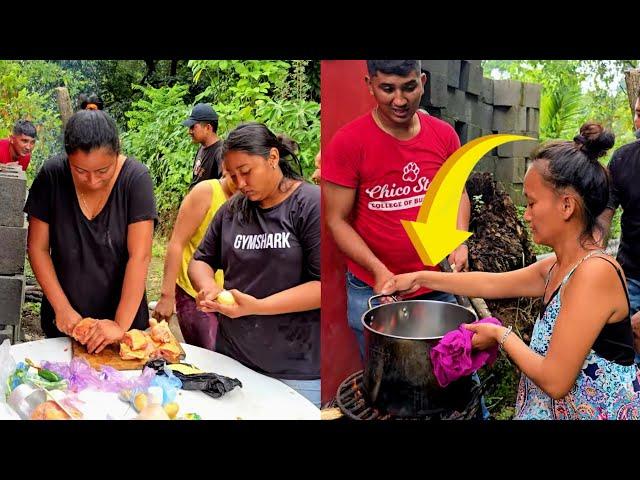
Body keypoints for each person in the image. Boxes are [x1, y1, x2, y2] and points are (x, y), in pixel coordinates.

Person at [382, 123, 640, 420]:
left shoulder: (594, 274)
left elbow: (556, 380)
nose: (526, 215)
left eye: (531, 203)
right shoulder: (556, 265)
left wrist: (499, 334)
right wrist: (420, 278)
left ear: (566, 205)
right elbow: (491, 284)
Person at [322, 60, 471, 357]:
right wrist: (378, 271)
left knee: (455, 372)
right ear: (369, 85)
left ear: (423, 82)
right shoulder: (348, 143)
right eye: (387, 89)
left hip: (437, 282)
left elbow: (458, 194)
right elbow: (336, 220)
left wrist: (459, 239)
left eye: (409, 87)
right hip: (375, 288)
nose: (400, 100)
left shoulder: (444, 136)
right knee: (389, 381)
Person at [187, 122, 320, 407]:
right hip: (233, 357)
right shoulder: (232, 210)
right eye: (232, 175)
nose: (240, 184)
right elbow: (200, 261)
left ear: (273, 158)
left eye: (246, 172)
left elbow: (324, 288)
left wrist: (258, 307)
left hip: (296, 369)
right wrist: (208, 287)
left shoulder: (310, 205)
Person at [24, 110, 157, 354]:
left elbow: (140, 255)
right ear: (68, 158)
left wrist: (119, 324)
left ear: (117, 153)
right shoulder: (52, 176)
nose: (92, 181)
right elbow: (37, 248)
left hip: (123, 323)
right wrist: (62, 309)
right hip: (65, 321)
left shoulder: (135, 180)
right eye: (81, 171)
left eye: (103, 171)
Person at [152, 165, 237, 350]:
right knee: (211, 352)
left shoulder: (253, 197)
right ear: (224, 165)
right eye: (234, 175)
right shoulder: (206, 192)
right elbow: (177, 243)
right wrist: (167, 296)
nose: (241, 183)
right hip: (194, 294)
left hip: (230, 298)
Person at [599, 89, 640, 355]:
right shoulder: (624, 159)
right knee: (625, 355)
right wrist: (591, 255)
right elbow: (605, 214)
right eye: (638, 113)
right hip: (631, 277)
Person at [182, 103, 223, 188]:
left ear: (208, 128)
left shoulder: (220, 151)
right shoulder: (202, 147)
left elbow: (226, 184)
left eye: (193, 127)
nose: (189, 132)